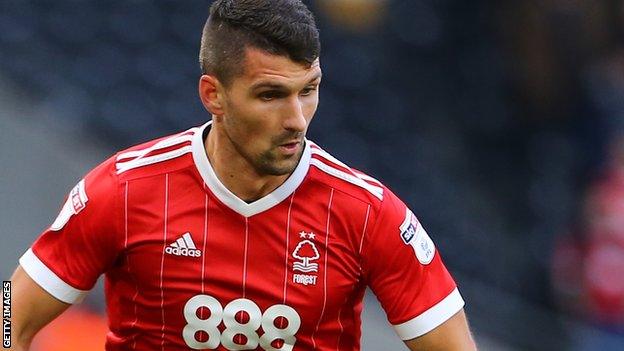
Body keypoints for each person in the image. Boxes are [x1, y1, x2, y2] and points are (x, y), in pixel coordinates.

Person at [9, 0, 477, 350]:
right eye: (271, 95)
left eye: (308, 90)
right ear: (213, 95)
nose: (297, 118)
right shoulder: (124, 190)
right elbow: (11, 312)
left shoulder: (368, 214)